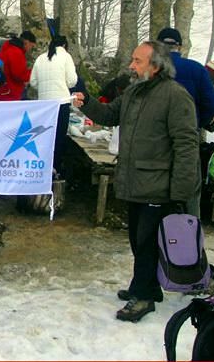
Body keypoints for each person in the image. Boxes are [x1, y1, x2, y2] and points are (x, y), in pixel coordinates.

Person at [72, 41, 198, 322]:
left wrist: (181, 191)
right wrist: (87, 102)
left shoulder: (176, 96)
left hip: (159, 186)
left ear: (156, 66)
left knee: (147, 243)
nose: (131, 65)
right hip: (134, 181)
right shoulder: (133, 92)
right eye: (133, 59)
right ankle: (146, 286)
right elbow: (109, 115)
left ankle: (143, 297)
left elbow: (186, 145)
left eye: (138, 61)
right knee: (137, 240)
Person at [157, 28, 214, 218]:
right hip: (188, 138)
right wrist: (197, 122)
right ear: (180, 47)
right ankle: (189, 228)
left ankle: (155, 228)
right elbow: (211, 104)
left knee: (155, 187)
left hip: (155, 139)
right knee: (190, 189)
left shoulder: (151, 69)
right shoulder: (196, 69)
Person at [29, 35, 78, 176]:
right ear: (65, 45)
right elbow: (72, 81)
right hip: (61, 102)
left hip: (44, 105)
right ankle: (55, 168)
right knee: (59, 137)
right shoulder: (66, 56)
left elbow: (33, 82)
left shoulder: (40, 58)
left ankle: (42, 166)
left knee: (45, 137)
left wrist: (44, 89)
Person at [0, 31, 37, 101]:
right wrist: (34, 72)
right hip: (10, 93)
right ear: (27, 42)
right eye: (32, 46)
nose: (31, 49)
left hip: (4, 91)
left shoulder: (9, 47)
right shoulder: (16, 52)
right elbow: (19, 75)